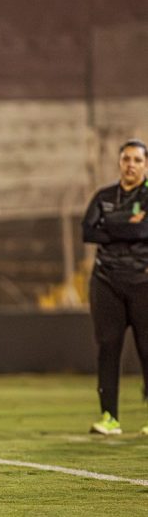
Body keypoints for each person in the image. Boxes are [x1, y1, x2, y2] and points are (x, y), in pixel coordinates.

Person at [82, 138, 148, 436]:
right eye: (126, 159)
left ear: (145, 164)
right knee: (108, 347)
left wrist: (111, 225)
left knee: (147, 349)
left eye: (137, 160)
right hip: (106, 281)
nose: (131, 165)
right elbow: (87, 231)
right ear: (119, 163)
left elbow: (143, 229)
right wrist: (129, 225)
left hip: (143, 282)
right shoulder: (104, 195)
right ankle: (109, 417)